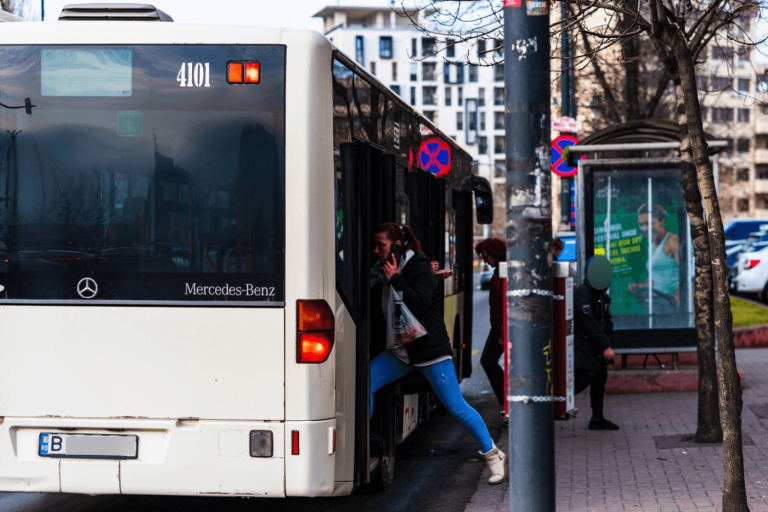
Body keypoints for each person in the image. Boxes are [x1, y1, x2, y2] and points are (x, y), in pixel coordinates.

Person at [370, 223, 507, 484]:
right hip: (401, 353)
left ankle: (493, 455)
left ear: (397, 245)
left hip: (431, 353)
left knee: (457, 407)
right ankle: (362, 442)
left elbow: (420, 302)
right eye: (375, 245)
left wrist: (396, 279)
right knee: (366, 382)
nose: (376, 250)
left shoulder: (418, 266)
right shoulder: (385, 268)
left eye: (382, 245)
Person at [574, 256, 620, 431]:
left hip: (598, 349)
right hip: (585, 347)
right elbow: (589, 322)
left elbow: (606, 322)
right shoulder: (583, 292)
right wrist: (605, 345)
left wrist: (608, 343)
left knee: (600, 380)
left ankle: (597, 418)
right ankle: (549, 408)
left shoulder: (601, 294)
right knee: (581, 381)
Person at [474, 237, 506, 409]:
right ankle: (507, 401)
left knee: (488, 360)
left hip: (501, 328)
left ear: (496, 253)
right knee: (488, 360)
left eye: (486, 256)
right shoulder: (499, 270)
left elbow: (501, 305)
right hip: (499, 327)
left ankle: (507, 401)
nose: (485, 261)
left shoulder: (503, 272)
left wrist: (501, 331)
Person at [629, 203, 680, 304]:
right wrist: (639, 286)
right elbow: (653, 281)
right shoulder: (651, 247)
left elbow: (689, 275)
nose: (644, 229)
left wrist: (676, 298)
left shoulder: (673, 241)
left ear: (662, 221)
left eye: (648, 223)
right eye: (641, 225)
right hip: (658, 305)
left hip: (672, 307)